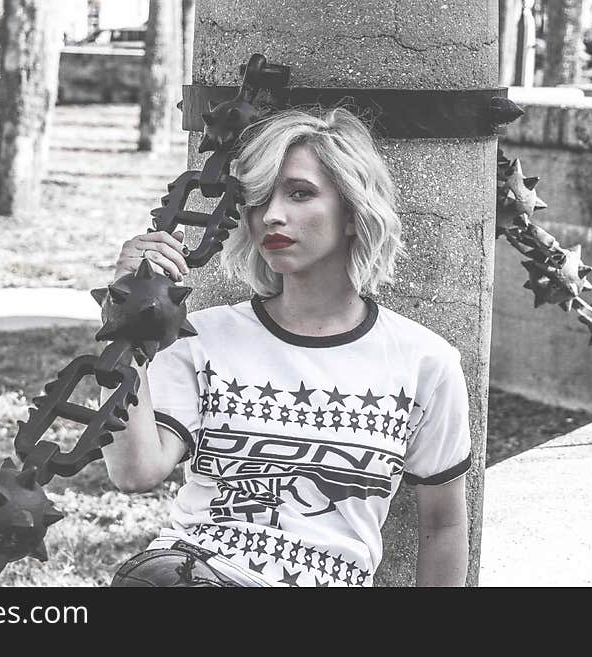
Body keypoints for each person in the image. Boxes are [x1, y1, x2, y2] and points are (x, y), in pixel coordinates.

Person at [100, 108, 471, 587]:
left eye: (300, 194)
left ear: (354, 214)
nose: (271, 215)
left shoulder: (425, 362)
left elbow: (443, 525)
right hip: (193, 574)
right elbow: (134, 472)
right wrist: (124, 313)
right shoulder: (200, 337)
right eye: (258, 199)